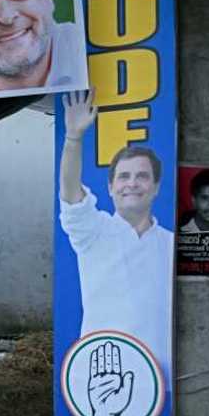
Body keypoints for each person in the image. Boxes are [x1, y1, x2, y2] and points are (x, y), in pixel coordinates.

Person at [59, 89, 172, 370]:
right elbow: (71, 194)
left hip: (161, 376)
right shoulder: (93, 231)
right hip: (100, 371)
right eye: (123, 176)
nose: (132, 183)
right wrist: (73, 138)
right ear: (110, 187)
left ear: (156, 187)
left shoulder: (171, 244)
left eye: (142, 176)